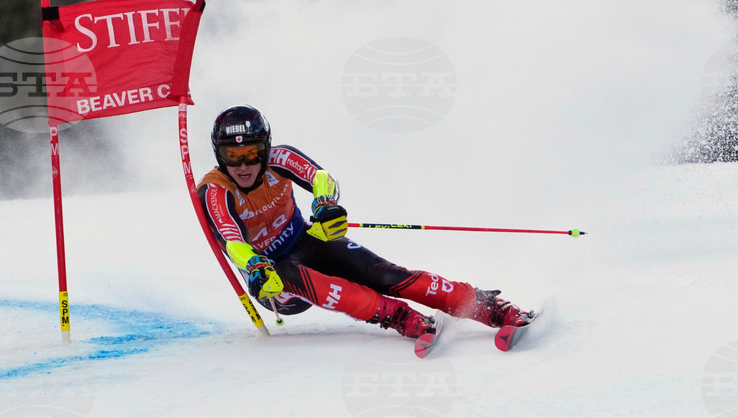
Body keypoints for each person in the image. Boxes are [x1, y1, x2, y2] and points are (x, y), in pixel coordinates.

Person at [197, 104, 535, 339]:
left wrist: (326, 205)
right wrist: (255, 265)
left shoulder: (280, 158)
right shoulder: (215, 190)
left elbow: (321, 177)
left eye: (252, 153)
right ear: (219, 154)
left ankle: (483, 305)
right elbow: (232, 240)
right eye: (232, 156)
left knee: (383, 273)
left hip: (303, 241)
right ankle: (397, 316)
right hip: (272, 281)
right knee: (288, 273)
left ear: (265, 148)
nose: (243, 165)